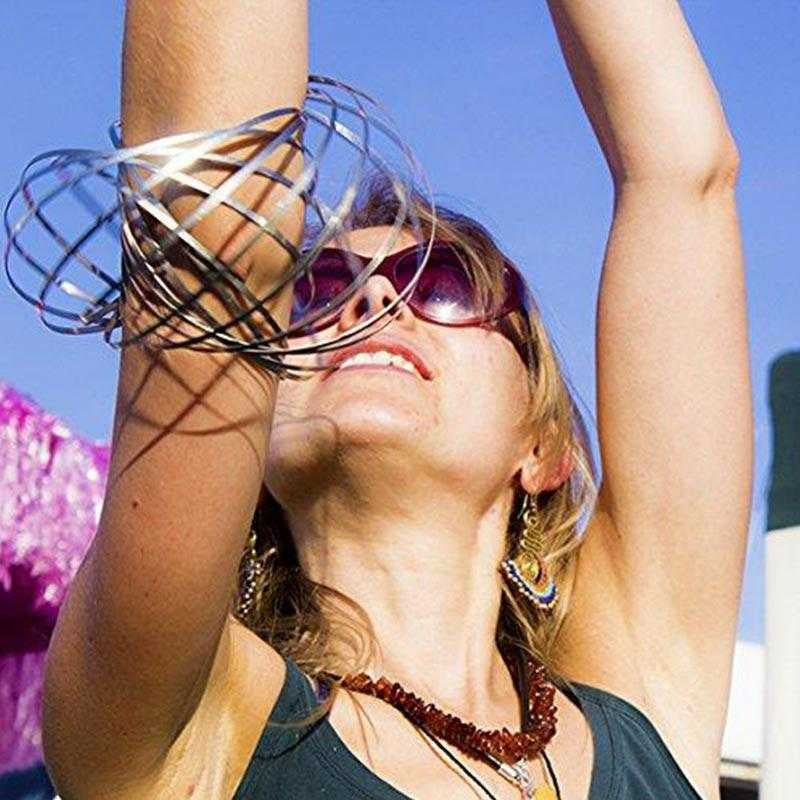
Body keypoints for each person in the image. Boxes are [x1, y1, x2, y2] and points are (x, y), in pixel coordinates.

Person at [40, 1, 752, 799]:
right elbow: (217, 217)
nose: (374, 298)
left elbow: (683, 172)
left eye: (446, 284)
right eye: (312, 291)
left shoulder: (644, 687)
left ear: (544, 447)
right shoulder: (190, 728)